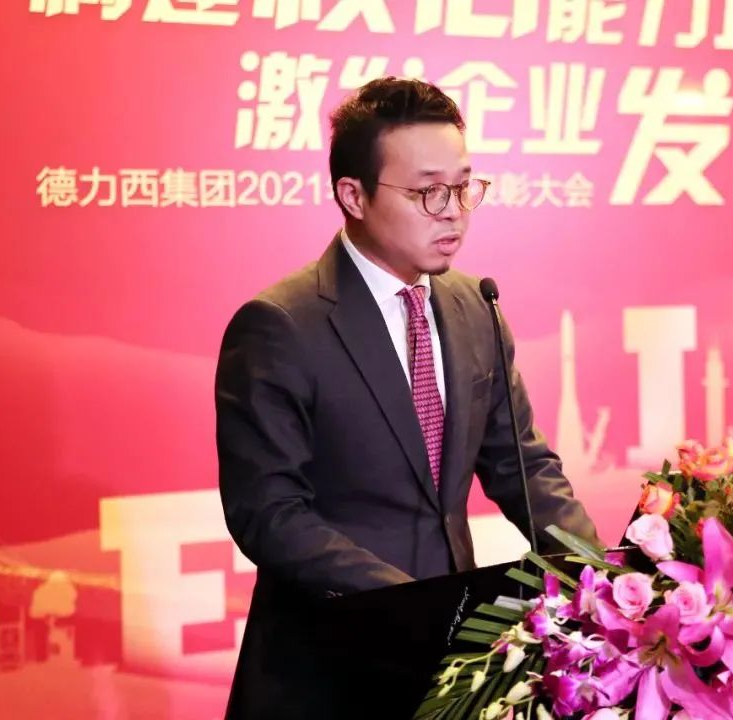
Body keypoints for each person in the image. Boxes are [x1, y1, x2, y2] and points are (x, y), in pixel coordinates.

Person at [214, 77, 600, 718]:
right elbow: (269, 512)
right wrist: (410, 607)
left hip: (453, 669)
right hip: (328, 666)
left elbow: (523, 466)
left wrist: (595, 572)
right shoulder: (281, 325)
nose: (453, 211)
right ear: (353, 195)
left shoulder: (475, 306)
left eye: (464, 187)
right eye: (427, 192)